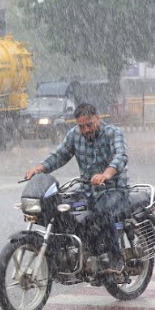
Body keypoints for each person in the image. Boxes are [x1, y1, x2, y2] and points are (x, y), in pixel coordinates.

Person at [23, 102, 129, 273]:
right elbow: (59, 155)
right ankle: (76, 250)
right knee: (60, 210)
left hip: (114, 188)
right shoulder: (74, 135)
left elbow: (120, 156)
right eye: (81, 126)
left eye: (89, 124)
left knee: (102, 212)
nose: (86, 130)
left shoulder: (113, 133)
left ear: (98, 119)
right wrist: (38, 169)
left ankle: (115, 259)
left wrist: (106, 174)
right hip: (86, 189)